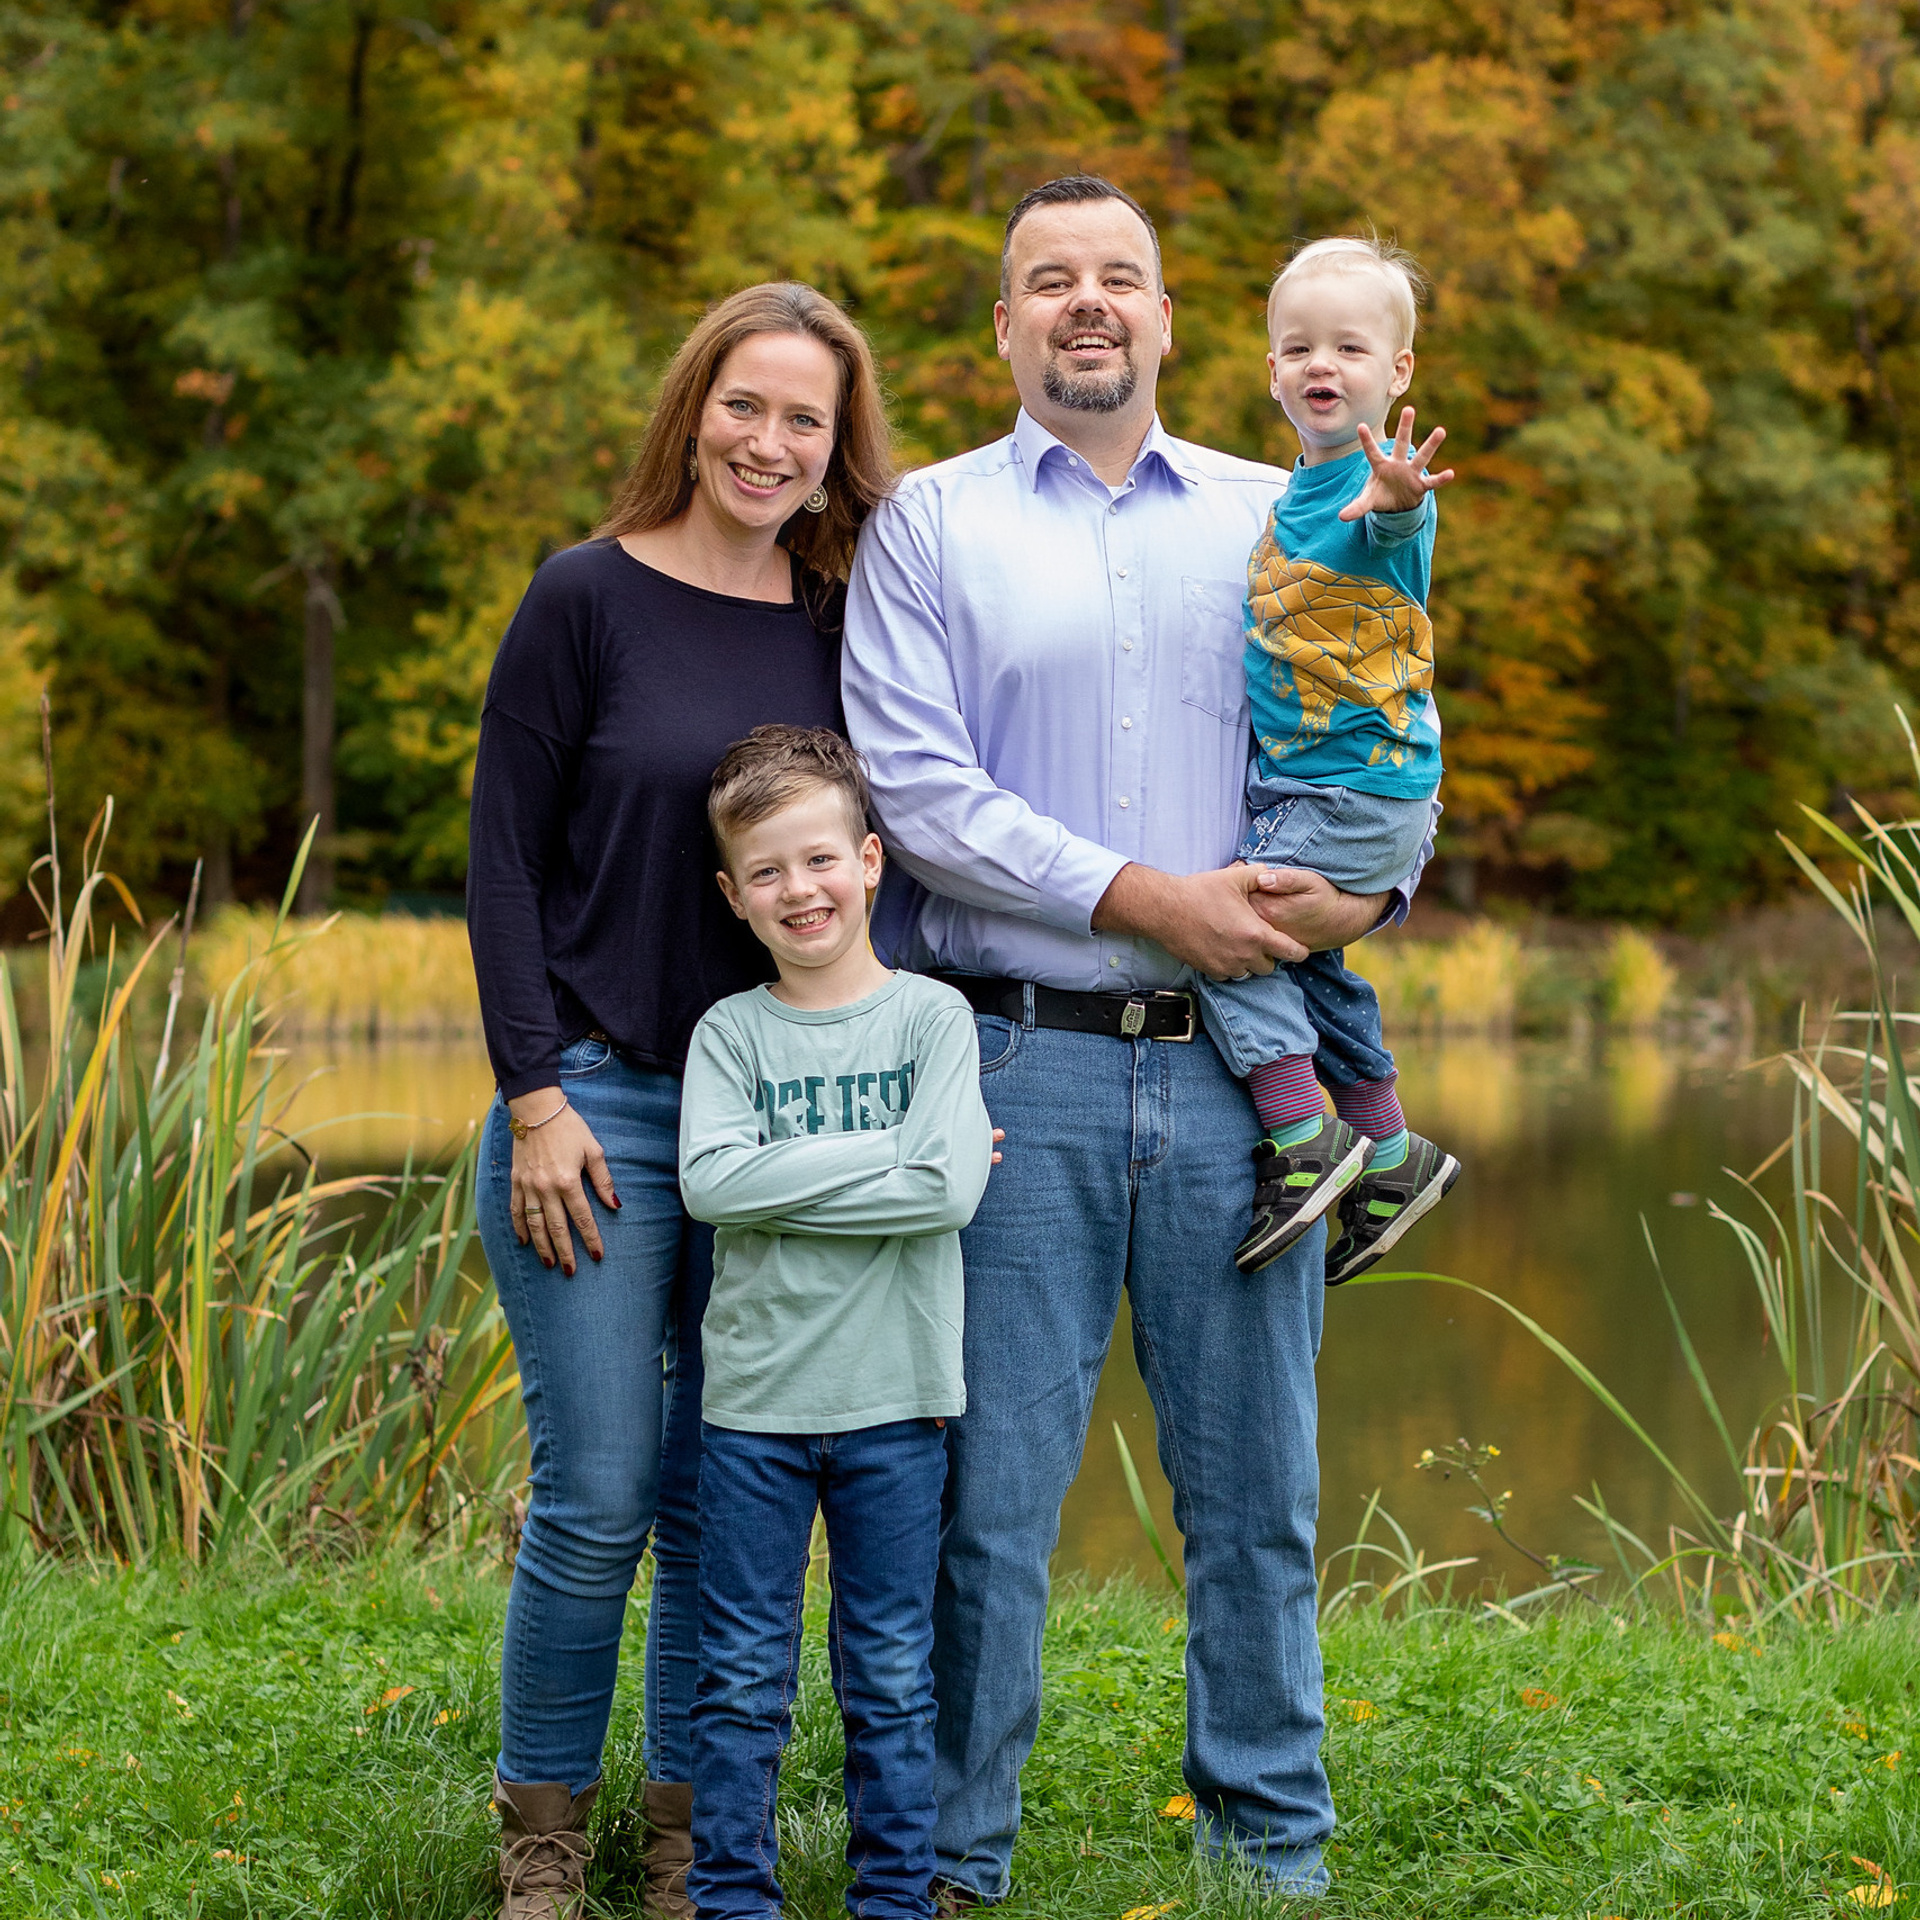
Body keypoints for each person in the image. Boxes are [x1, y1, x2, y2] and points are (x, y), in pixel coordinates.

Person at [842, 175, 1437, 1902]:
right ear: (1006, 326)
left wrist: (1363, 902)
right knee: (987, 1508)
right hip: (1015, 1064)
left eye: (1122, 279)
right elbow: (918, 797)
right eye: (1050, 282)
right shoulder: (930, 527)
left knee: (1257, 1500)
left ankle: (1271, 1854)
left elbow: (1383, 723)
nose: (1086, 304)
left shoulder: (1295, 511)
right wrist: (1138, 894)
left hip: (1245, 1080)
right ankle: (949, 1863)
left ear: (1179, 324)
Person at [467, 283, 893, 1920]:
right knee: (598, 1492)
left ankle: (690, 1843)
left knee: (733, 1499)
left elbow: (877, 877)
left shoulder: (845, 626)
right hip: (600, 1104)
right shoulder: (582, 597)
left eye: (805, 419)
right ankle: (543, 1848)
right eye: (746, 406)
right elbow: (502, 862)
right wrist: (531, 1098)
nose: (769, 442)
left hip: (788, 1124)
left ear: (834, 449)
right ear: (692, 410)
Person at [678, 725, 997, 1920]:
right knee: (742, 1676)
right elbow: (711, 1186)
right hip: (756, 1408)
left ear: (870, 861)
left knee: (892, 1675)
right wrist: (891, 1151)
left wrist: (791, 1165)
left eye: (818, 861)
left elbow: (949, 1191)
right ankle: (732, 1901)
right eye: (766, 873)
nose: (797, 890)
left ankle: (896, 1902)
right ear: (734, 896)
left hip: (896, 1404)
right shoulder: (730, 1034)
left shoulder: (933, 1021)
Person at [1190, 235, 1461, 1280]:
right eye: (1299, 346)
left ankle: (1306, 1144)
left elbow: (1397, 524)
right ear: (1270, 370)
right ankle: (1390, 1154)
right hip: (1331, 783)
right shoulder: (1286, 496)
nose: (1321, 364)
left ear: (1396, 372)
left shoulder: (1373, 482)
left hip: (1348, 787)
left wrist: (1398, 496)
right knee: (1315, 966)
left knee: (1223, 932)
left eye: (1350, 347)